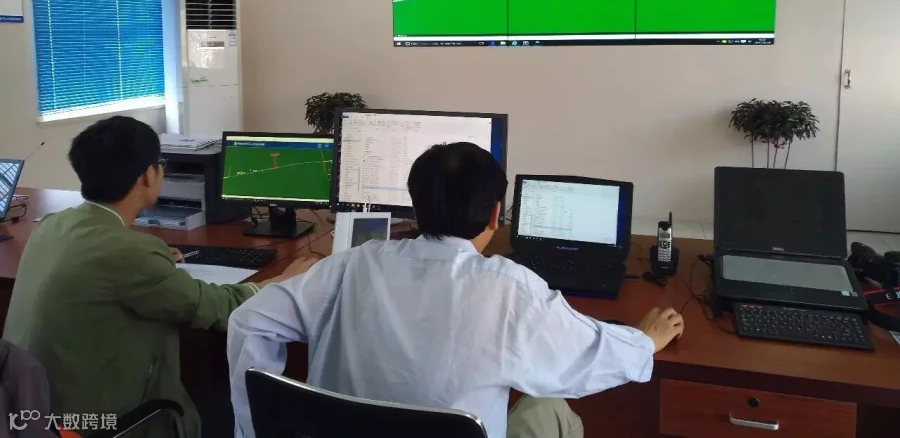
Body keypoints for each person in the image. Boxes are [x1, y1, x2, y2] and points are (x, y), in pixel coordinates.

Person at [228, 142, 684, 438]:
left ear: (414, 206)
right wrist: (645, 340)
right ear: (496, 215)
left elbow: (248, 321)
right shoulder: (509, 288)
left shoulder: (351, 265)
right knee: (550, 407)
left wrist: (254, 429)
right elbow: (589, 357)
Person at [4, 116, 314, 438]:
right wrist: (275, 284)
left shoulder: (51, 225)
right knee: (241, 407)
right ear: (148, 175)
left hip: (28, 411)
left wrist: (151, 259)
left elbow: (106, 265)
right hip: (94, 424)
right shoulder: (129, 254)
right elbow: (215, 307)